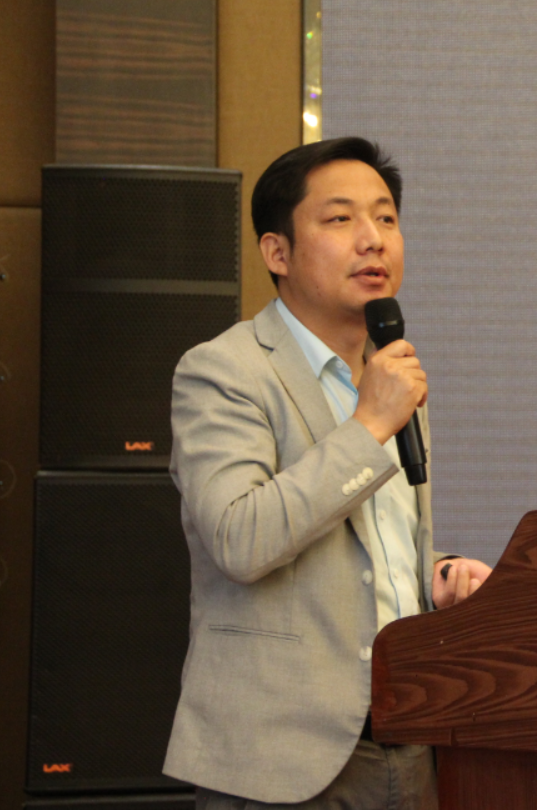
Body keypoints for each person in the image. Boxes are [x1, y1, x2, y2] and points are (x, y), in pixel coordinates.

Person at [163, 137, 492, 809]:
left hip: (408, 743)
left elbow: (365, 547)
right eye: (341, 219)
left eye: (386, 218)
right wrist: (369, 425)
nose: (373, 239)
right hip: (280, 758)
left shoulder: (387, 376)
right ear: (277, 253)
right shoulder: (225, 371)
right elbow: (240, 539)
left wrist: (434, 575)